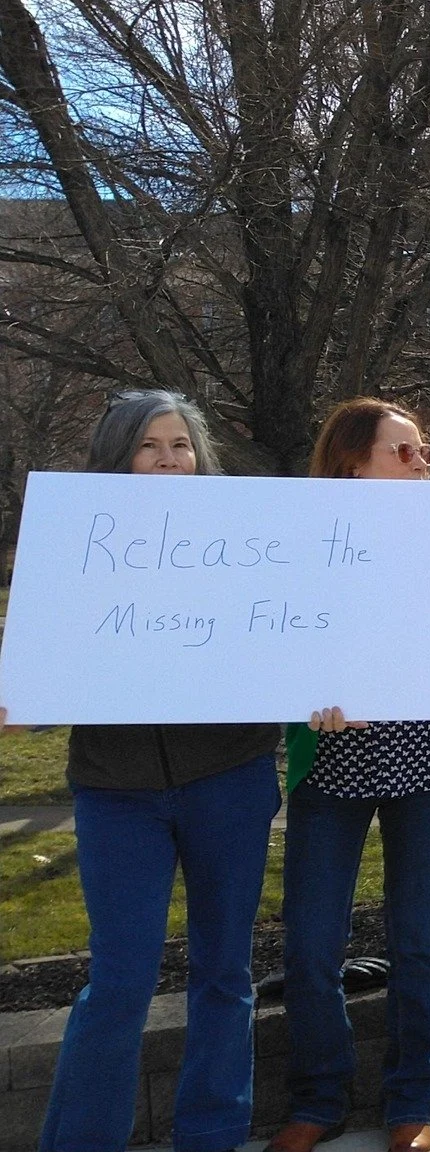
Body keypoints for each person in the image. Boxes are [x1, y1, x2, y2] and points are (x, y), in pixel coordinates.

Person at [17, 392, 283, 1152]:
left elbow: (287, 641)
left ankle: (213, 1136)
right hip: (116, 792)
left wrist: (325, 691)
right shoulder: (72, 547)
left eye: (181, 446)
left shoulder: (246, 543)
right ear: (116, 456)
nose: (169, 460)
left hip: (229, 779)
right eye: (149, 446)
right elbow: (44, 675)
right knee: (121, 982)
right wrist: (23, 700)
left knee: (224, 972)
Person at [267, 398, 430, 1152]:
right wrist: (309, 705)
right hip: (328, 774)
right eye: (405, 453)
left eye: (425, 452)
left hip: (422, 770)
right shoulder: (302, 549)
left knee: (415, 943)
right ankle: (319, 1100)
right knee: (308, 945)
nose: (423, 465)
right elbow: (278, 648)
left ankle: (410, 1102)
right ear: (351, 463)